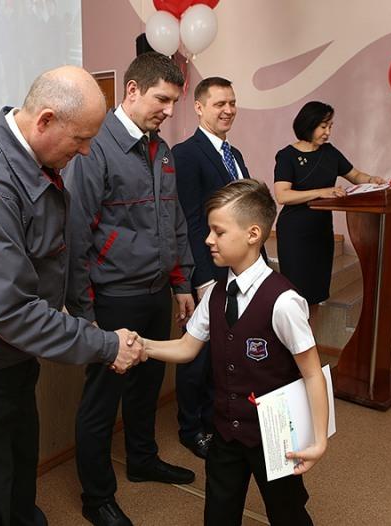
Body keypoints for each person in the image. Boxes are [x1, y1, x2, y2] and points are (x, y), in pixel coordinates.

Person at [0, 66, 145, 526]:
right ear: (45, 120)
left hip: (9, 352)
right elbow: (13, 311)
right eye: (81, 139)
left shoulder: (31, 160)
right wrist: (105, 344)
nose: (86, 152)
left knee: (19, 466)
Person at [141, 179, 329, 526]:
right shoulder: (215, 294)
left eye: (218, 231)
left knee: (287, 513)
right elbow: (187, 347)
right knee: (219, 513)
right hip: (226, 431)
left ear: (253, 234)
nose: (208, 240)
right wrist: (142, 346)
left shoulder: (283, 302)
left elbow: (312, 373)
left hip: (274, 435)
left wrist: (318, 441)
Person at [63, 52, 196, 526]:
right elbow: (75, 234)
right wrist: (84, 313)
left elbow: (174, 219)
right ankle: (97, 496)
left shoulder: (162, 149)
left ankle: (142, 459)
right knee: (102, 401)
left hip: (156, 291)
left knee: (146, 388)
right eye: (162, 99)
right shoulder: (95, 148)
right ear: (133, 90)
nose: (169, 110)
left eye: (174, 101)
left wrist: (181, 281)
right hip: (113, 296)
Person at [172, 76, 253, 459]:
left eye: (232, 103)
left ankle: (214, 419)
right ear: (199, 107)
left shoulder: (234, 155)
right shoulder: (186, 154)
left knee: (223, 351)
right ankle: (191, 428)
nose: (228, 110)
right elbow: (189, 220)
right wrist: (200, 277)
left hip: (237, 268)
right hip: (208, 270)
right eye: (220, 103)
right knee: (197, 355)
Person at [273, 101, 386, 319]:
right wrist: (322, 192)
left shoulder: (330, 152)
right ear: (309, 124)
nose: (328, 132)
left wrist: (373, 179)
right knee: (295, 296)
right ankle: (292, 339)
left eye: (330, 126)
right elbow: (283, 195)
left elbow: (355, 175)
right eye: (323, 126)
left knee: (316, 294)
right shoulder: (287, 156)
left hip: (322, 232)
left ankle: (310, 339)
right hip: (295, 234)